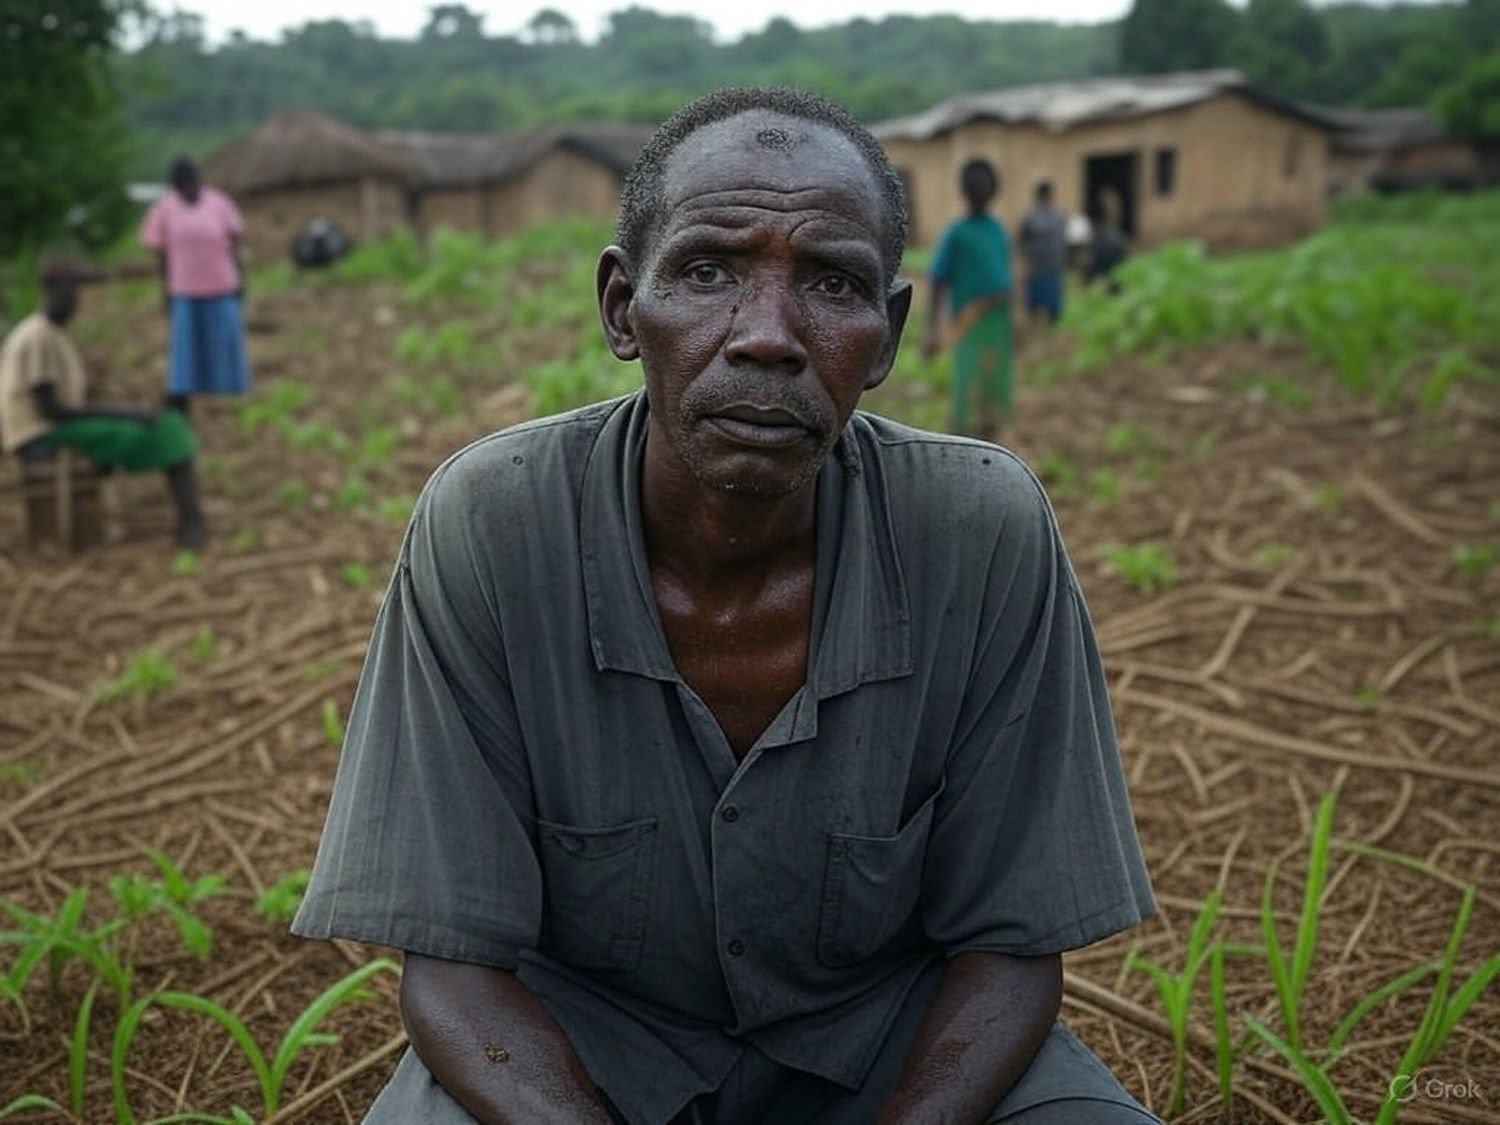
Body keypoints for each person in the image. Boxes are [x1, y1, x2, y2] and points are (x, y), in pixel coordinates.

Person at [292, 88, 1157, 1125]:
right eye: (707, 272)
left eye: (833, 284)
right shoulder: (493, 525)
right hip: (577, 1053)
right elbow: (454, 973)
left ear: (885, 337)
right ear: (623, 307)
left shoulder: (978, 530)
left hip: (894, 1046)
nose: (767, 338)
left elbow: (1009, 952)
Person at [0, 259, 207, 548]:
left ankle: (189, 524)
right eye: (68, 291)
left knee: (162, 422)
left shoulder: (50, 333)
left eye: (76, 292)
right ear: (52, 292)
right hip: (38, 433)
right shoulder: (39, 337)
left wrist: (127, 412)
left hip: (50, 426)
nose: (74, 299)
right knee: (168, 429)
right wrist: (129, 414)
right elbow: (52, 409)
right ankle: (191, 526)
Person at [139, 156, 251, 415]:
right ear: (174, 186)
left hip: (222, 286)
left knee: (224, 342)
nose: (187, 188)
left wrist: (241, 280)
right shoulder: (164, 210)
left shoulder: (219, 204)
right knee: (187, 349)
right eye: (181, 185)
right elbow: (162, 256)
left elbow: (235, 245)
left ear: (198, 180)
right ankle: (187, 395)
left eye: (190, 182)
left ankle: (227, 397)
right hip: (184, 290)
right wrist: (165, 291)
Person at [921, 158, 1014, 439]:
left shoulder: (998, 230)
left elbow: (1006, 275)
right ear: (965, 190)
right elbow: (938, 279)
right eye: (975, 184)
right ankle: (964, 436)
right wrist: (932, 329)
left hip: (998, 319)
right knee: (968, 379)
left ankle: (991, 434)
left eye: (986, 184)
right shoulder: (957, 232)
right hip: (968, 319)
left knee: (995, 379)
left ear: (994, 189)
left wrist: (1017, 317)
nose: (980, 189)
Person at [1018, 181, 1068, 325]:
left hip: (1040, 270)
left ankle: (1041, 337)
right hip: (1050, 269)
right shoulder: (1059, 217)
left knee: (1036, 310)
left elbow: (1021, 243)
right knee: (1051, 311)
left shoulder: (1031, 218)